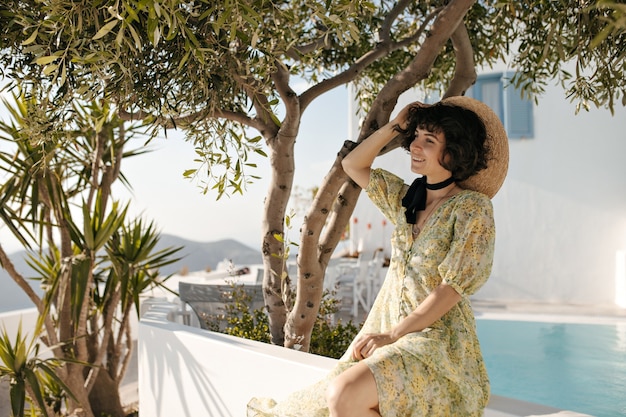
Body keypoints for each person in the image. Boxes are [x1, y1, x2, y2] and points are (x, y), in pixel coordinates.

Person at [247, 96, 509, 417]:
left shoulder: (472, 208)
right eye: (415, 137)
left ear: (453, 152)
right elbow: (353, 165)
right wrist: (397, 126)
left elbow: (452, 287)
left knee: (343, 394)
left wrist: (393, 334)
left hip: (435, 342)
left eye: (429, 140)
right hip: (389, 335)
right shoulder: (406, 199)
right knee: (325, 400)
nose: (415, 145)